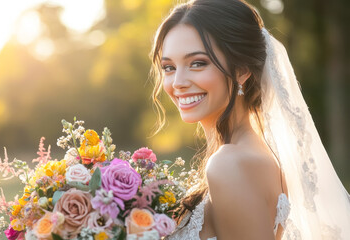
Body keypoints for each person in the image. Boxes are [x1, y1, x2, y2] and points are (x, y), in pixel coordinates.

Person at [149, 0, 350, 239]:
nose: (178, 82)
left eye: (198, 63)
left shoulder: (229, 164)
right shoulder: (255, 157)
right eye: (169, 67)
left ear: (242, 70)